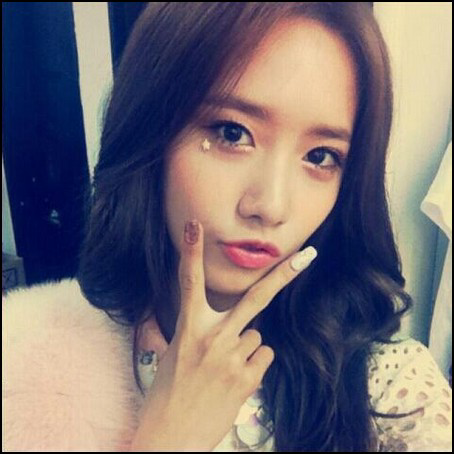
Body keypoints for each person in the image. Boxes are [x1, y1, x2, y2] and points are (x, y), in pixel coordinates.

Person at [2, 3, 452, 452]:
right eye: (232, 133)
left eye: (320, 157)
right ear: (151, 131)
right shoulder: (33, 369)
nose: (270, 206)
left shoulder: (391, 392)